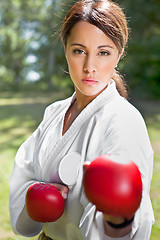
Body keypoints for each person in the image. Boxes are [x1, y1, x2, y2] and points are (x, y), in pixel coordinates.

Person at [9, 0, 155, 239]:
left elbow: (131, 215)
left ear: (118, 56)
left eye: (103, 53)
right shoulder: (54, 112)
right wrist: (34, 196)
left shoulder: (124, 121)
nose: (90, 67)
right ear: (65, 50)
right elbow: (24, 174)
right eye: (79, 51)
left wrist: (117, 221)